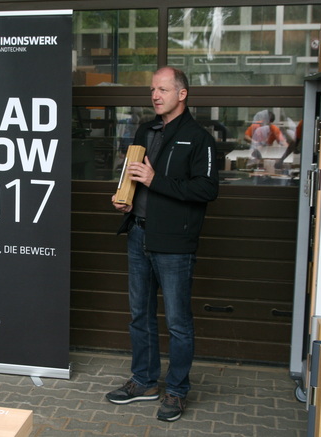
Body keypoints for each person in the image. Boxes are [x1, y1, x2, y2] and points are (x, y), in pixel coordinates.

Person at [107, 66, 219, 422]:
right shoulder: (145, 130)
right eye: (153, 89)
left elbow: (207, 189)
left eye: (163, 89)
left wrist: (157, 181)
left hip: (174, 242)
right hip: (139, 232)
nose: (155, 95)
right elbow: (134, 175)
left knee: (178, 322)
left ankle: (176, 390)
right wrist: (125, 197)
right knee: (140, 315)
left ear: (182, 94)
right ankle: (144, 381)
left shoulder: (199, 138)